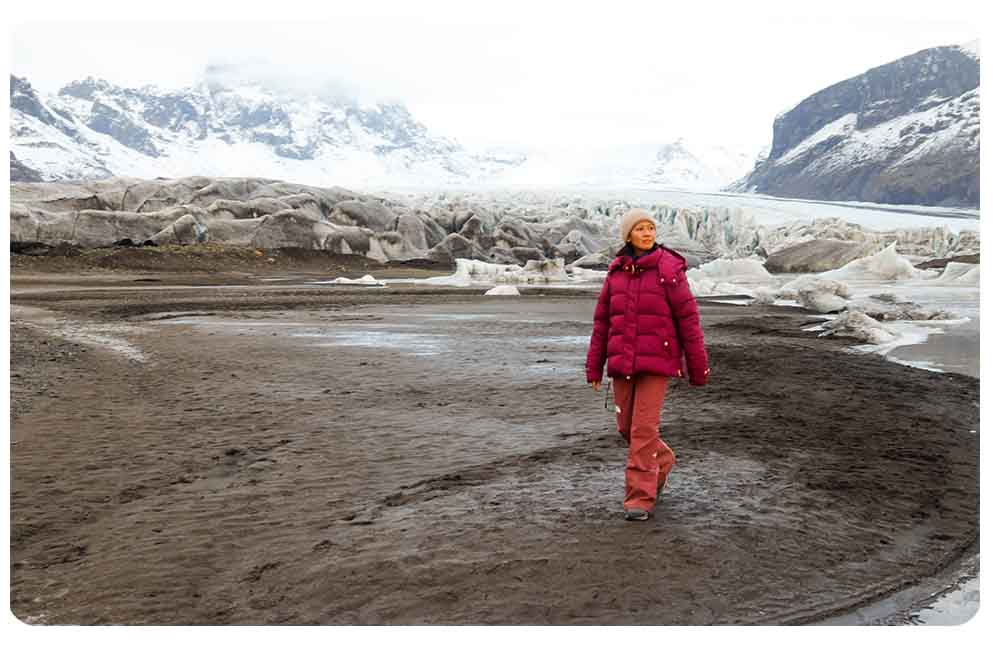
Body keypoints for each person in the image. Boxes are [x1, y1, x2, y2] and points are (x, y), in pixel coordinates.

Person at [586, 208, 710, 522]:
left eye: (650, 228)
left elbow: (688, 320)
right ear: (628, 235)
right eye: (640, 228)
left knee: (643, 429)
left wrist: (698, 367)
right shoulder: (616, 272)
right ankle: (663, 460)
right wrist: (594, 367)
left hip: (657, 361)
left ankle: (640, 499)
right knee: (626, 427)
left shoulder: (668, 269)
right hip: (622, 360)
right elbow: (602, 322)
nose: (647, 233)